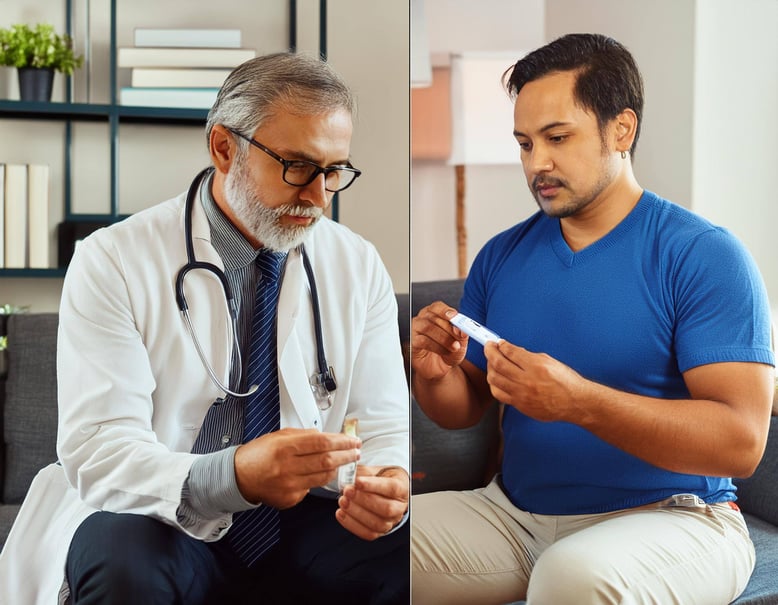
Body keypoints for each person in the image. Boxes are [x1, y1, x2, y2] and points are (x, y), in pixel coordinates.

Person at [0, 52, 409, 605]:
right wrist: (234, 475)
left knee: (405, 550)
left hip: (304, 520)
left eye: (334, 171)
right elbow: (100, 447)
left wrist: (388, 485)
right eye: (297, 166)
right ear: (223, 148)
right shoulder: (112, 260)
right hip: (163, 512)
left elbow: (383, 424)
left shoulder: (357, 264)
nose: (318, 197)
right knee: (121, 557)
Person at [411, 33, 775, 605]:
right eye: (524, 143)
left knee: (572, 578)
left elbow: (741, 443)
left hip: (680, 519)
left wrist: (578, 401)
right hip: (515, 518)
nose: (538, 163)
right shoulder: (501, 256)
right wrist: (435, 375)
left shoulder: (703, 255)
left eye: (558, 138)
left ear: (621, 130)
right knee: (370, 540)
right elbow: (465, 409)